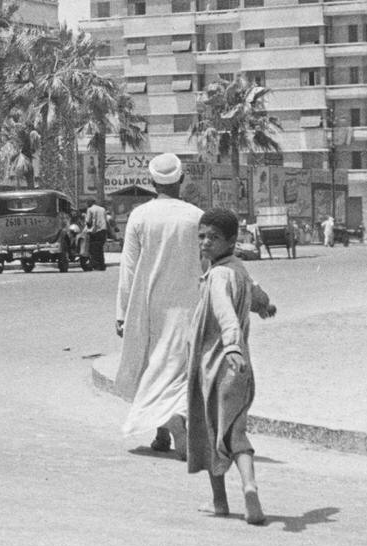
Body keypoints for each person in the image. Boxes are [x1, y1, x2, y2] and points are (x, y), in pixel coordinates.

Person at [186, 207, 277, 526]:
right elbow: (255, 294)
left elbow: (224, 313)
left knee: (212, 433)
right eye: (201, 237)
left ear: (231, 240)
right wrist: (265, 306)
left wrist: (232, 347)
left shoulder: (218, 276)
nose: (205, 243)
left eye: (213, 237)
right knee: (236, 432)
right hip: (240, 369)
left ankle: (220, 502)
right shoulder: (238, 268)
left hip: (218, 365)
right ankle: (249, 485)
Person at [114, 152, 204, 457]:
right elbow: (206, 265)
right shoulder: (196, 216)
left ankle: (173, 430)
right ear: (181, 180)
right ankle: (165, 432)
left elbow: (128, 267)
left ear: (152, 182)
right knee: (176, 370)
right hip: (189, 307)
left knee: (152, 369)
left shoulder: (140, 216)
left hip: (149, 309)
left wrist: (122, 313)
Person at [84, 195, 111, 270]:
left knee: (93, 249)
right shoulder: (102, 209)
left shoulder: (90, 209)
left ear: (90, 202)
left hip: (95, 231)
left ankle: (95, 265)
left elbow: (88, 221)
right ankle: (102, 265)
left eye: (87, 202)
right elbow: (106, 220)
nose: (86, 204)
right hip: (103, 231)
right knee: (100, 249)